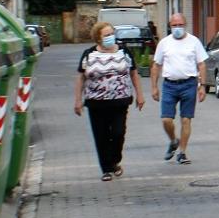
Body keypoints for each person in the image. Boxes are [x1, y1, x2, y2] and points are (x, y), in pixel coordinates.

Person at [74, 22, 145, 181]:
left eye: (111, 34)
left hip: (120, 101)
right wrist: (78, 100)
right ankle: (106, 168)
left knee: (118, 132)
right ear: (98, 38)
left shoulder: (123, 52)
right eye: (106, 35)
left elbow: (134, 73)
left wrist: (140, 95)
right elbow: (80, 77)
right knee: (101, 135)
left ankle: (115, 160)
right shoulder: (89, 54)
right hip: (96, 103)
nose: (110, 37)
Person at [149, 13, 208, 165]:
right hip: (169, 84)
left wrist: (202, 86)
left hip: (189, 83)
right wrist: (154, 87)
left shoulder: (194, 42)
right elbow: (156, 65)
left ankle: (182, 152)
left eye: (180, 25)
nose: (177, 28)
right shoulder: (164, 43)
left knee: (186, 119)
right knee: (166, 119)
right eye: (174, 25)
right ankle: (173, 140)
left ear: (185, 25)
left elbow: (201, 64)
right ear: (170, 26)